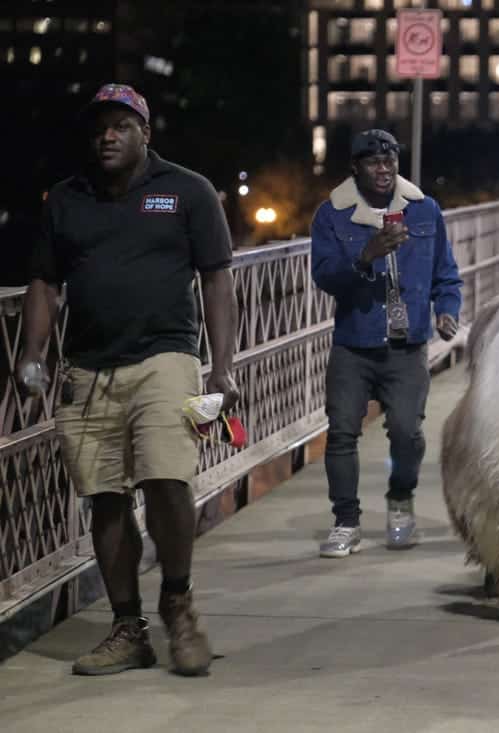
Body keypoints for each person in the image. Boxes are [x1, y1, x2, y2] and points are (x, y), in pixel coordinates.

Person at [16, 84, 240, 676]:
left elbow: (218, 279)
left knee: (167, 478)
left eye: (120, 126)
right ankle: (127, 629)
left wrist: (222, 366)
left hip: (165, 359)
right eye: (99, 129)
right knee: (105, 498)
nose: (107, 137)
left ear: (145, 132)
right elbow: (43, 282)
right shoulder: (66, 199)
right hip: (87, 370)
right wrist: (32, 356)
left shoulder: (187, 191)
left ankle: (179, 602)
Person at [310, 129, 462, 557]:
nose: (385, 168)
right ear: (355, 167)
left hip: (407, 344)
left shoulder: (425, 210)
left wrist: (446, 309)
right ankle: (346, 522)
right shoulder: (332, 216)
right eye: (374, 161)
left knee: (407, 432)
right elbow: (323, 276)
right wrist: (366, 255)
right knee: (340, 433)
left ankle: (400, 501)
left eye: (391, 159)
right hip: (354, 344)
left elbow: (446, 275)